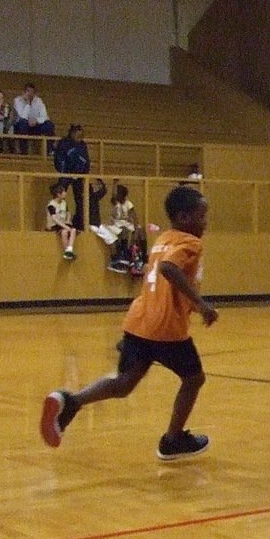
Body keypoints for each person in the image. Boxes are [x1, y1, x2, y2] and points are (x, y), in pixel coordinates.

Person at [39, 185, 219, 458]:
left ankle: (70, 401)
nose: (205, 222)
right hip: (166, 329)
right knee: (194, 378)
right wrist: (202, 304)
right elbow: (168, 269)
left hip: (139, 322)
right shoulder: (190, 243)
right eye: (201, 216)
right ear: (183, 218)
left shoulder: (163, 239)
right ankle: (172, 441)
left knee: (124, 383)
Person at [91, 182, 136, 273]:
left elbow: (133, 216)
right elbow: (113, 196)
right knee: (114, 233)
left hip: (125, 224)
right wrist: (114, 184)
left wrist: (136, 225)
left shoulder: (128, 204)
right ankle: (120, 255)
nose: (116, 195)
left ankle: (125, 253)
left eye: (118, 193)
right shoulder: (116, 202)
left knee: (124, 231)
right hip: (116, 224)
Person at [53, 124, 91, 230]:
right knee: (60, 197)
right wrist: (65, 172)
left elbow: (87, 161)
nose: (80, 138)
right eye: (78, 135)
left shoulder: (83, 145)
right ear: (72, 133)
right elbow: (59, 159)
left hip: (78, 176)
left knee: (80, 199)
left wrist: (83, 174)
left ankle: (79, 222)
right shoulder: (64, 143)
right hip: (66, 174)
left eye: (81, 136)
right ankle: (61, 221)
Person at [12, 82, 55, 155]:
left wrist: (36, 120)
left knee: (49, 125)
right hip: (21, 127)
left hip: (35, 126)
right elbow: (22, 116)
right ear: (24, 92)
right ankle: (24, 151)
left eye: (32, 92)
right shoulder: (17, 100)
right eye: (28, 91)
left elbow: (45, 116)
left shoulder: (39, 101)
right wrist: (28, 104)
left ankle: (49, 150)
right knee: (23, 123)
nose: (30, 94)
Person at [45, 180, 77, 261]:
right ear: (58, 194)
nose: (65, 193)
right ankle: (66, 251)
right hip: (54, 225)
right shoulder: (51, 205)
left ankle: (69, 250)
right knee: (64, 232)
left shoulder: (64, 203)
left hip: (63, 224)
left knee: (73, 230)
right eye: (63, 192)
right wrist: (65, 227)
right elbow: (54, 219)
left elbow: (68, 213)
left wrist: (68, 222)